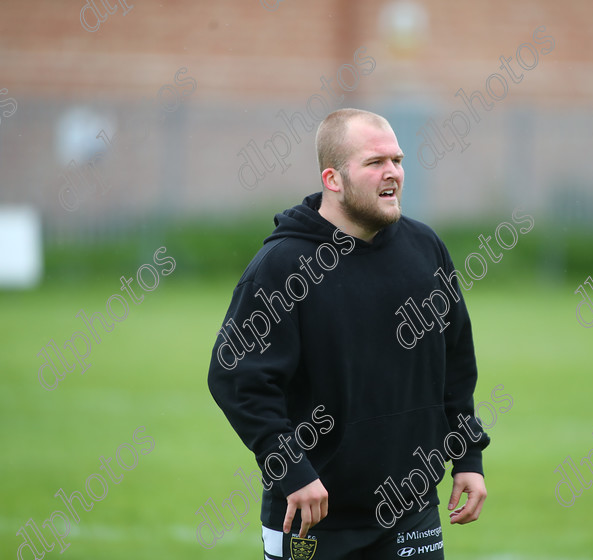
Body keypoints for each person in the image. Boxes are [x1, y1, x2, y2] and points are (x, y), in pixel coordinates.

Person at [207, 108, 489, 560]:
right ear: (333, 179)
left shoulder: (426, 249)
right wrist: (291, 469)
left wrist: (468, 456)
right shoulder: (283, 266)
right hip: (314, 517)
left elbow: (456, 362)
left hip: (411, 513)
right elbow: (236, 378)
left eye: (397, 160)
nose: (393, 172)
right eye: (375, 163)